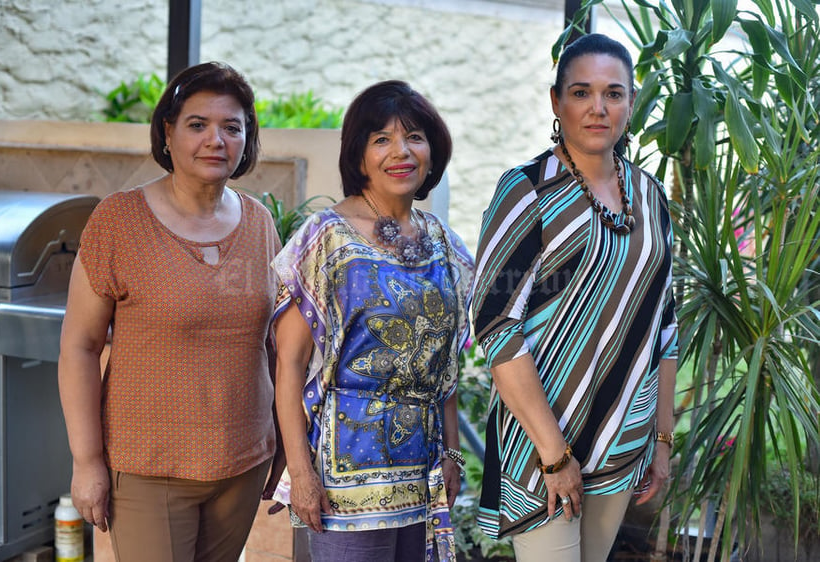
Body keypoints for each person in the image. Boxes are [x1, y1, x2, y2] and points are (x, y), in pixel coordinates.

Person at [58, 61, 283, 562]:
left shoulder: (261, 222)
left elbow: (270, 343)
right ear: (168, 131)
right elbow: (80, 345)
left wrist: (284, 437)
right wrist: (87, 461)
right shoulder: (119, 220)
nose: (215, 140)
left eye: (232, 127)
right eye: (197, 125)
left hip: (243, 462)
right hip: (147, 467)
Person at [471, 34, 678, 562]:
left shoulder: (651, 196)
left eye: (614, 94)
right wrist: (554, 454)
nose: (598, 108)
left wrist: (661, 438)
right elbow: (496, 326)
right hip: (541, 445)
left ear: (631, 103)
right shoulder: (527, 191)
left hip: (621, 439)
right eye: (581, 92)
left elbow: (665, 323)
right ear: (556, 102)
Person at [271, 80, 474, 562]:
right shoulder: (326, 239)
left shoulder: (444, 243)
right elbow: (290, 365)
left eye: (415, 137)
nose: (400, 152)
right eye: (381, 139)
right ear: (358, 155)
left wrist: (450, 452)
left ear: (432, 150)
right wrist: (300, 471)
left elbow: (445, 368)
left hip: (422, 470)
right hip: (345, 477)